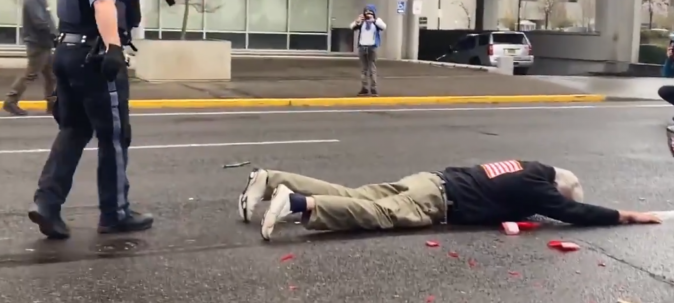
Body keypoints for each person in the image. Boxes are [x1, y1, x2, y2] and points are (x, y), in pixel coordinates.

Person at [29, 0, 169, 239]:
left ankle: (46, 203)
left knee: (74, 130)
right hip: (94, 57)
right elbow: (104, 2)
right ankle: (115, 213)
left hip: (66, 52)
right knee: (115, 136)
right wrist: (114, 49)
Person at [237, 161, 662, 241]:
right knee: (380, 215)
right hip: (440, 201)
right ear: (556, 190)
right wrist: (625, 215)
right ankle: (299, 204)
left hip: (430, 178)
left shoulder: (528, 165)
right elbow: (573, 212)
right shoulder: (542, 190)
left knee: (356, 193)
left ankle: (270, 178)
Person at [3, 0, 58, 116]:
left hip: (45, 44)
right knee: (30, 74)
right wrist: (55, 35)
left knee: (51, 75)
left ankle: (52, 105)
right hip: (37, 45)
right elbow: (40, 22)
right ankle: (11, 101)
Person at [350, 4, 386, 96]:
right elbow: (351, 27)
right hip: (362, 47)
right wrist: (357, 21)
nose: (368, 14)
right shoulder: (362, 22)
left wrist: (374, 20)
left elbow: (383, 27)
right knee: (363, 69)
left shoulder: (377, 21)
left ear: (374, 13)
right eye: (366, 12)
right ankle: (364, 88)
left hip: (372, 48)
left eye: (370, 12)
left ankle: (373, 88)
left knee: (372, 69)